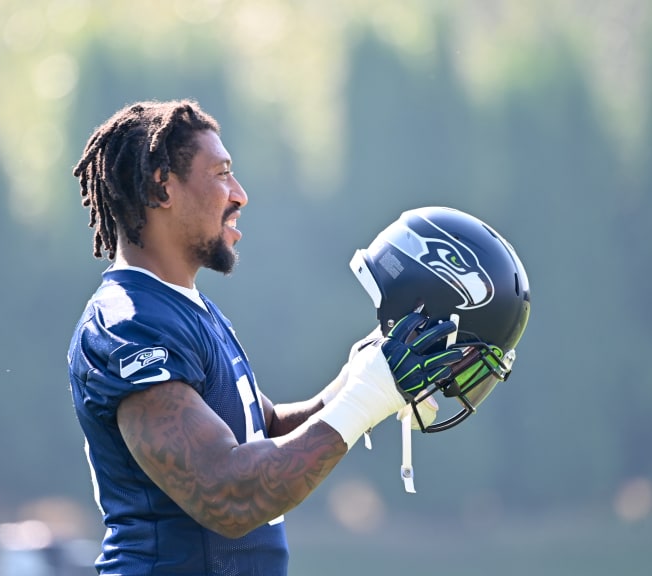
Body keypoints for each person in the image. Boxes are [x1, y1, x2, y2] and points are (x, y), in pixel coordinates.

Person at [66, 99, 461, 576]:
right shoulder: (129, 323)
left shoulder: (185, 307)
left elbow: (266, 431)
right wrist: (367, 396)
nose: (240, 194)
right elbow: (226, 494)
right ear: (162, 186)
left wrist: (362, 375)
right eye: (221, 174)